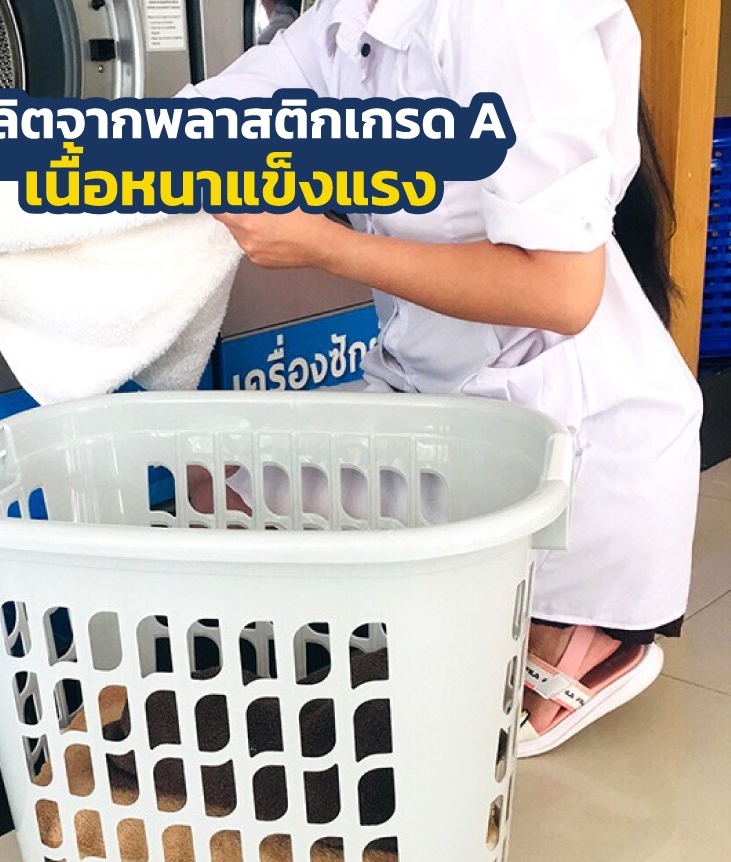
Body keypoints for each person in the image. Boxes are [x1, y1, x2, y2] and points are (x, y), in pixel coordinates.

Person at [180, 0, 704, 756]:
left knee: (455, 726)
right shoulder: (347, 19)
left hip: (562, 434)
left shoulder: (504, 16)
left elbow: (560, 292)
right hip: (432, 395)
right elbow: (217, 115)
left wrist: (324, 246)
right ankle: (452, 620)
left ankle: (579, 630)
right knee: (210, 493)